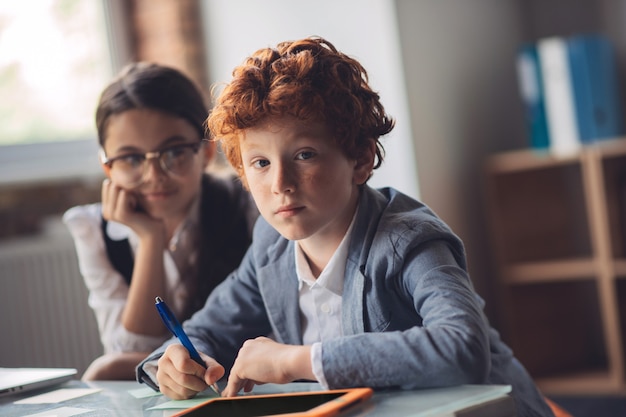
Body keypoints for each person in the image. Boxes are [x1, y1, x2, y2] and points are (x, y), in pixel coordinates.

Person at [135, 37, 555, 416]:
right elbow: (206, 329)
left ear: (360, 159)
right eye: (260, 163)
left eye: (304, 155)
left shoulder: (410, 240)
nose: (279, 184)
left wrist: (295, 361)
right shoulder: (270, 243)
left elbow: (462, 348)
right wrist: (174, 361)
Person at [63, 62, 258, 380]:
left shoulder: (248, 206)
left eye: (174, 152)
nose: (153, 177)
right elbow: (130, 349)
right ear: (108, 167)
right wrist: (150, 240)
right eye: (130, 159)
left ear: (206, 153)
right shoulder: (94, 230)